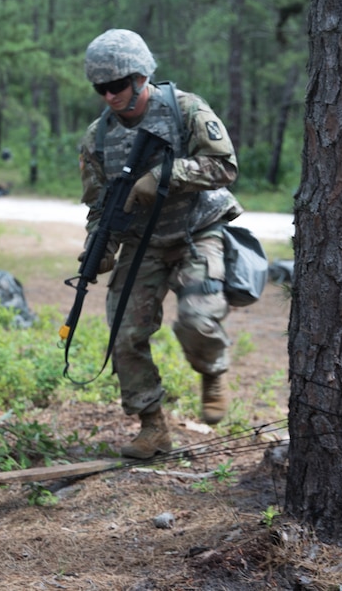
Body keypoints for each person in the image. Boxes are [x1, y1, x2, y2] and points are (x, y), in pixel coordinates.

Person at [76, 28, 243, 459]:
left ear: (140, 77)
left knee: (197, 318)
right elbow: (99, 204)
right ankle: (152, 426)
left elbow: (224, 167)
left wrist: (164, 177)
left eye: (116, 86)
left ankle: (211, 370)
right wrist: (99, 248)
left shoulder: (185, 110)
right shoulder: (97, 139)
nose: (109, 96)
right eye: (101, 88)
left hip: (197, 230)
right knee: (123, 332)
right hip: (141, 243)